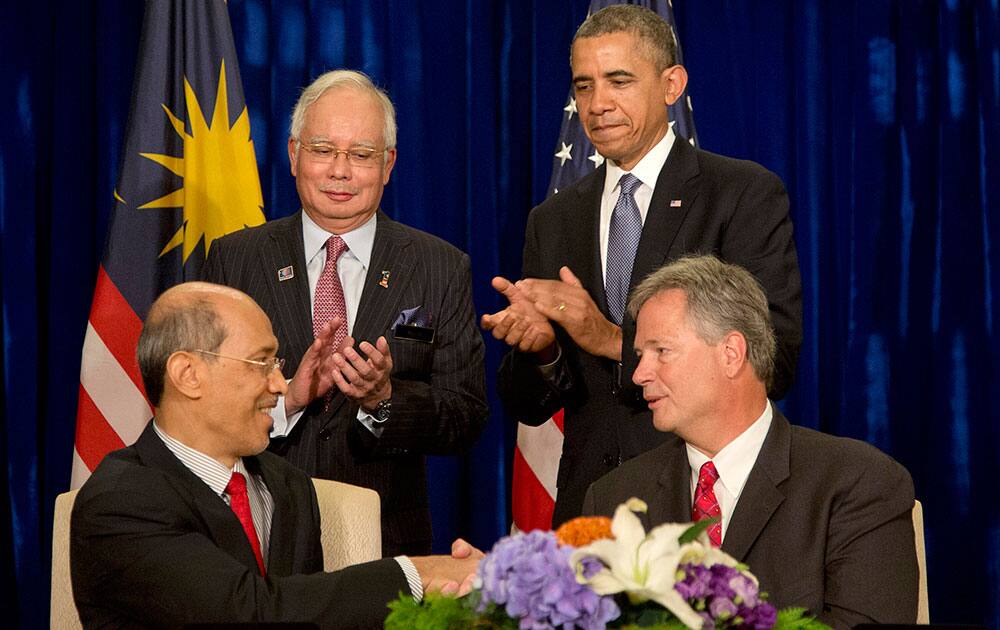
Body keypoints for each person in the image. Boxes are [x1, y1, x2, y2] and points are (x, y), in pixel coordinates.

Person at [484, 4, 802, 527]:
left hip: (704, 496)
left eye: (619, 81)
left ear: (671, 84)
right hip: (589, 507)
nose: (598, 104)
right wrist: (540, 350)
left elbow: (775, 355)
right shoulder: (554, 219)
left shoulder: (741, 194)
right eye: (583, 86)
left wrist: (610, 337)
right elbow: (528, 405)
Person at [71, 282, 482, 629]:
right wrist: (419, 573)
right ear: (188, 375)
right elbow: (249, 613)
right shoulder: (121, 500)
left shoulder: (288, 484)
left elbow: (312, 615)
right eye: (260, 362)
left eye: (276, 362)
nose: (281, 385)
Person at [205, 70, 488, 556]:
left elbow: (465, 416)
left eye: (360, 155)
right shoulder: (236, 260)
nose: (340, 171)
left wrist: (383, 399)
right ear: (294, 155)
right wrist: (287, 401)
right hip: (262, 541)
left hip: (386, 541)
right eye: (322, 151)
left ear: (388, 164)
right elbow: (198, 406)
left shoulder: (439, 266)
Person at [582, 256, 917, 629]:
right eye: (641, 356)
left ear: (731, 353)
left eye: (662, 351)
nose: (640, 374)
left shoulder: (857, 483)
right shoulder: (614, 497)